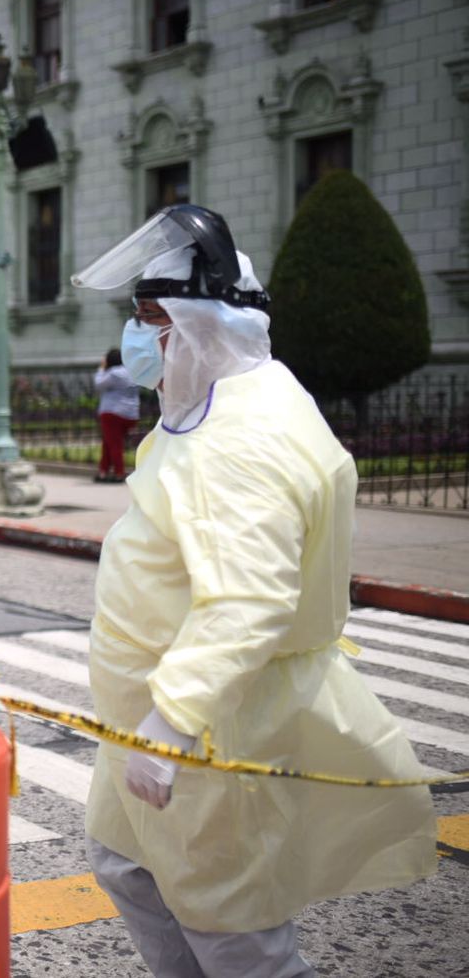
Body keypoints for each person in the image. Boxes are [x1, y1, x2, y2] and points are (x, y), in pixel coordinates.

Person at [70, 204, 436, 977]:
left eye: (152, 319)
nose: (142, 338)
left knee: (232, 926)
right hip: (149, 719)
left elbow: (250, 600)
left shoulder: (244, 442)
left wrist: (173, 721)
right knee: (128, 864)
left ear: (202, 324)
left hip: (207, 727)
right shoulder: (224, 407)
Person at [93, 346, 140, 482]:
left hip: (112, 413)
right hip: (131, 413)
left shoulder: (114, 373)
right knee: (108, 442)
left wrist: (102, 368)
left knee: (114, 444)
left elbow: (98, 384)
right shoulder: (132, 372)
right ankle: (103, 471)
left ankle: (119, 473)